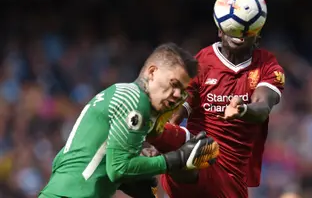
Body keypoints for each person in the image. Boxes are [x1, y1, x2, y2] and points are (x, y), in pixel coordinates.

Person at [147, 0, 286, 198]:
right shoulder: (202, 62)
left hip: (229, 178)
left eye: (246, 31)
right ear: (220, 30)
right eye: (232, 28)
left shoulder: (267, 66)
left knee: (187, 148)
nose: (238, 34)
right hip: (195, 153)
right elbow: (180, 106)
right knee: (170, 135)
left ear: (257, 36)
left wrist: (242, 109)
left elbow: (262, 107)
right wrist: (156, 143)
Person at [38, 43, 220, 198]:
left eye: (183, 90)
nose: (178, 95)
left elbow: (74, 161)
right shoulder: (135, 100)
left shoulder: (121, 93)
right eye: (174, 84)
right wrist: (177, 158)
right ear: (152, 72)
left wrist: (135, 179)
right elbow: (119, 168)